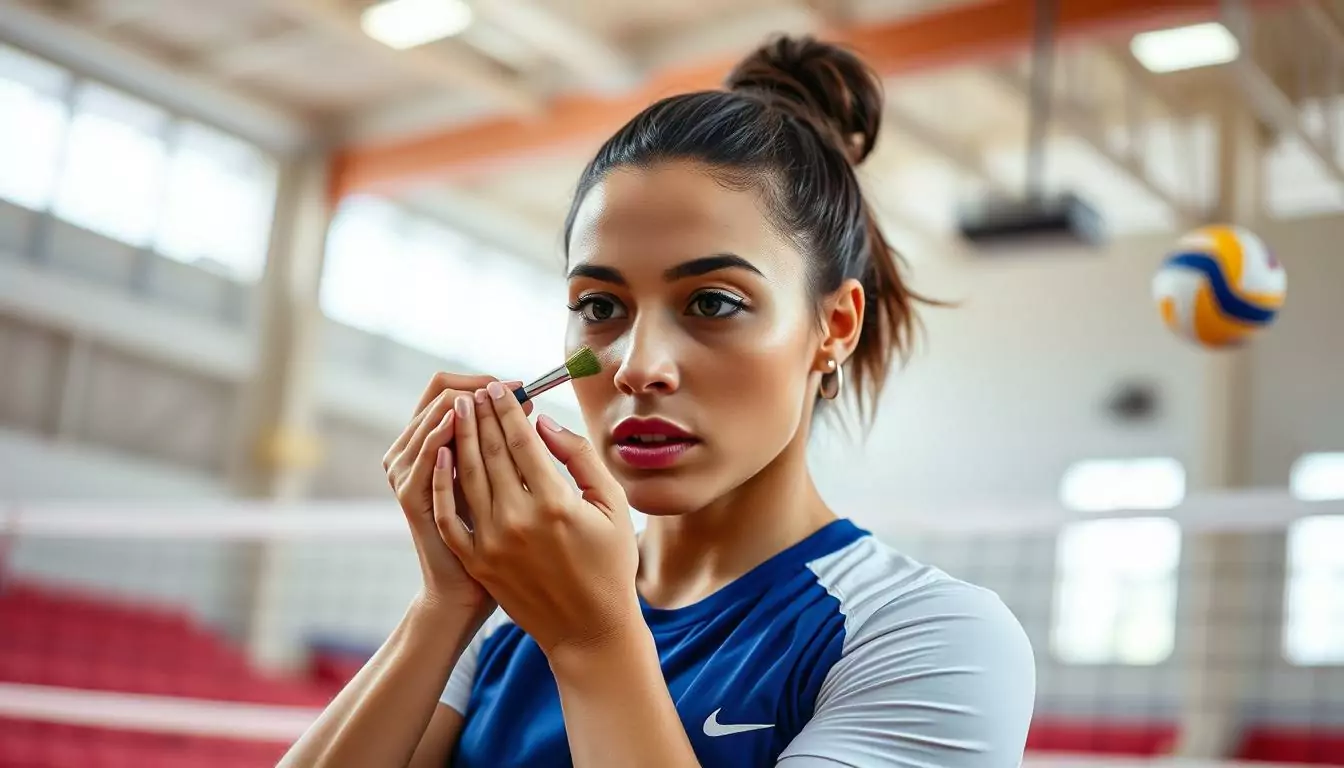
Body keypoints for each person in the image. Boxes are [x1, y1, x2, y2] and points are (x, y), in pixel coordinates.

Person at [279, 34, 1035, 768]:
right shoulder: (506, 621)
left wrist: (595, 641)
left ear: (833, 326)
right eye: (600, 306)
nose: (639, 368)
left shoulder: (926, 637)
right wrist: (444, 606)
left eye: (712, 302)